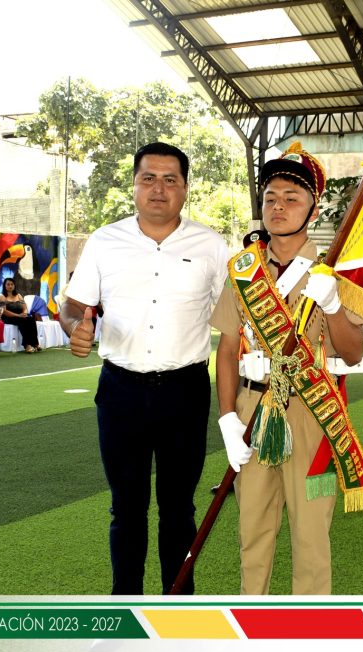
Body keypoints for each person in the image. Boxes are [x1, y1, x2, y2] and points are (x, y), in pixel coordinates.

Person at [59, 142, 229, 595]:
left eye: (171, 179)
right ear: (133, 185)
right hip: (121, 392)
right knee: (127, 507)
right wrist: (77, 326)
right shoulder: (104, 240)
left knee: (179, 508)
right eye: (149, 178)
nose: (159, 188)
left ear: (186, 189)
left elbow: (237, 316)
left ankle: (180, 606)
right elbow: (73, 307)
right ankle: (124, 607)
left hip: (185, 392)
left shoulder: (211, 246)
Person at [211, 143, 363, 613]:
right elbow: (227, 347)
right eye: (270, 197)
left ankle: (311, 634)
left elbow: (353, 353)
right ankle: (250, 622)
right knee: (252, 526)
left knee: (311, 529)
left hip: (314, 417)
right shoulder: (244, 271)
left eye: (291, 198)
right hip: (252, 410)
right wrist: (226, 419)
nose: (278, 207)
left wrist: (334, 304)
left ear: (313, 208)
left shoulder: (336, 269)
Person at [0, 278, 41, 353]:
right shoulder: (2, 297)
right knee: (23, 321)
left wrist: (25, 313)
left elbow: (25, 307)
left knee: (30, 319)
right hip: (8, 317)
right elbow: (4, 311)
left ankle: (35, 343)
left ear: (14, 286)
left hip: (20, 315)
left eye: (12, 284)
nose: (10, 286)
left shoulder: (18, 295)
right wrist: (18, 315)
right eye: (8, 284)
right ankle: (27, 345)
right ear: (4, 286)